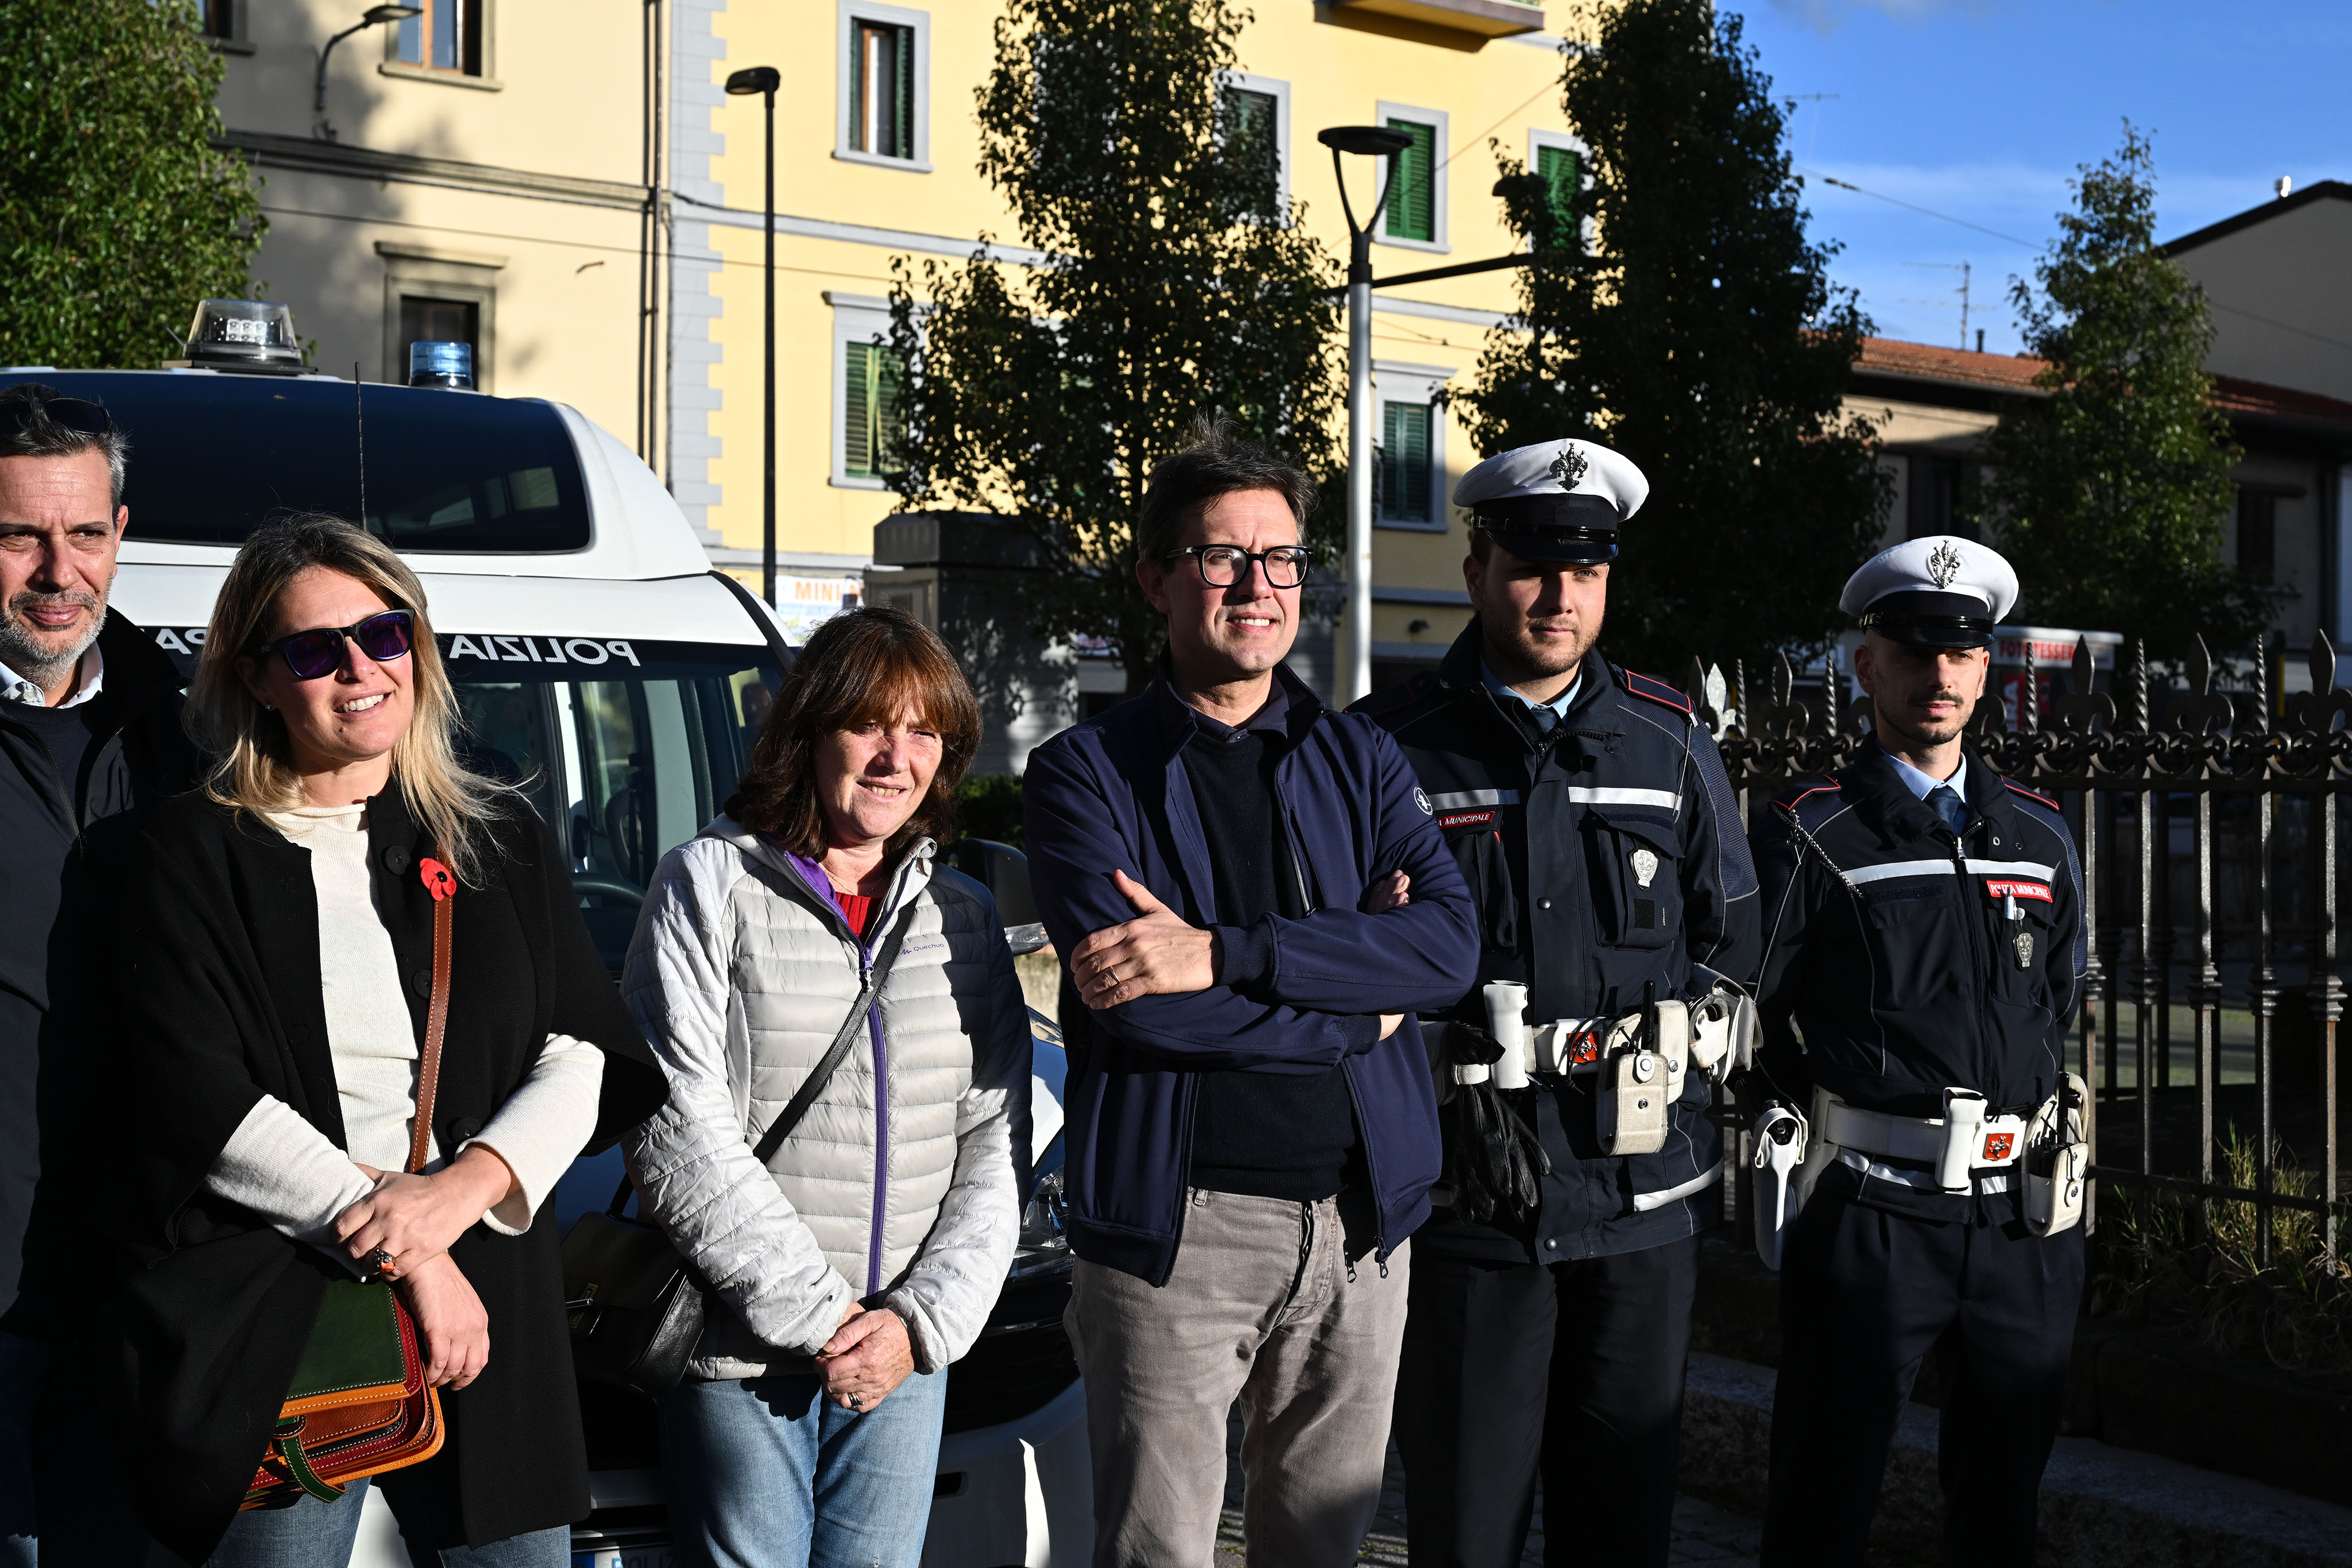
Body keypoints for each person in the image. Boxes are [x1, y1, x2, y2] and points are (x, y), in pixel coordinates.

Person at [102, 515, 667, 1566]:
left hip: (490, 1310)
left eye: (385, 632)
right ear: (259, 678)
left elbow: (580, 1048)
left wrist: (460, 1195)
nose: (361, 668)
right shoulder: (186, 855)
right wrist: (411, 1250)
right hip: (283, 1310)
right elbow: (203, 1103)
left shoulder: (495, 834)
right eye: (316, 650)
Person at [1022, 422, 1480, 1567]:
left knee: (1319, 1551)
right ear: (1157, 579)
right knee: (1156, 1552)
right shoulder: (1084, 772)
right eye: (1222, 557)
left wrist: (1227, 954)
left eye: (1279, 559)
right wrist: (1360, 1000)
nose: (1257, 585)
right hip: (1177, 1226)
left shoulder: (1361, 755)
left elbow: (1447, 948)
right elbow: (1141, 1006)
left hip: (1360, 1227)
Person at [1356, 439, 1761, 1567]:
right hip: (1470, 1199)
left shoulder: (1668, 739)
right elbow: (1339, 956)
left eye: (1583, 569)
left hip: (1640, 1196)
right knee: (1464, 1528)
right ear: (1477, 568)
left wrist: (1694, 1025)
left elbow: (1735, 933)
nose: (1557, 594)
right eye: (1531, 565)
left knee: (1621, 1526)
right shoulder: (1386, 749)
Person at [623, 605, 1030, 1568]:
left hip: (901, 1352)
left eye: (924, 732)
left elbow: (995, 1140)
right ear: (808, 731)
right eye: (869, 725)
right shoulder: (708, 884)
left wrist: (918, 1324)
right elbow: (677, 1127)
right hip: (744, 1350)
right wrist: (821, 1318)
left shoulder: (961, 916)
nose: (897, 757)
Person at [1749, 535, 2087, 1565]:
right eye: (1913, 649)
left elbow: (2060, 999)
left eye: (1961, 652)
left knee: (2001, 1509)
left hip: (2022, 1225)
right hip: (1873, 1214)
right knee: (1824, 1498)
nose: (1938, 675)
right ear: (1867, 666)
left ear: (1987, 668)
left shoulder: (2040, 831)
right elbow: (1753, 1014)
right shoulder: (1813, 830)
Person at [0, 382, 202, 1565]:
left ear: (122, 533)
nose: (55, 571)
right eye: (20, 534)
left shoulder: (191, 731)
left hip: (149, 1295)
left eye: (83, 533)